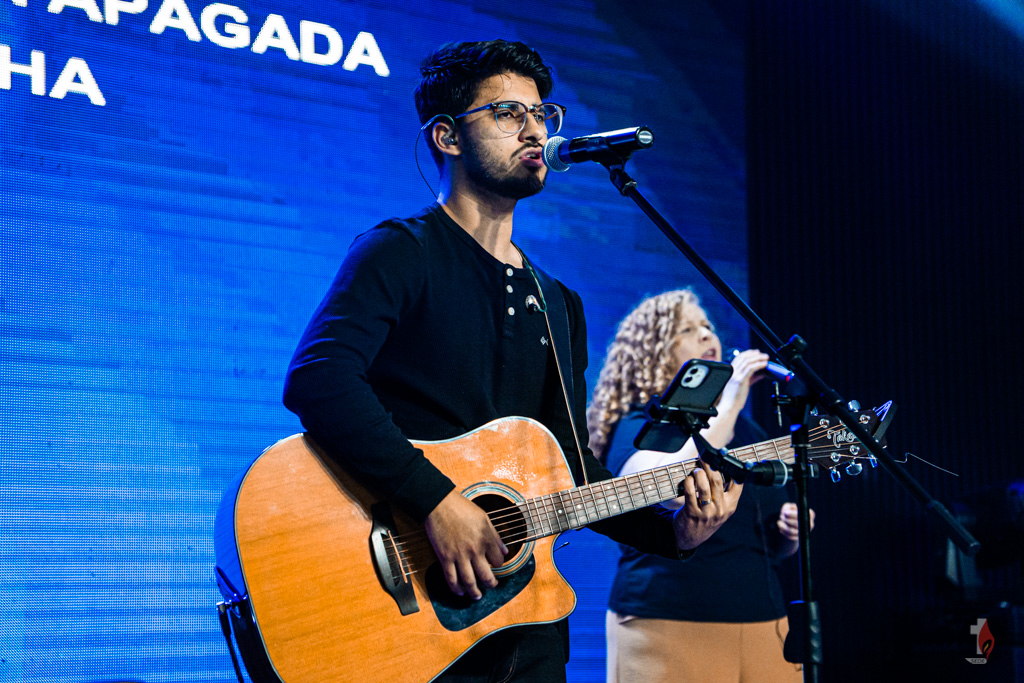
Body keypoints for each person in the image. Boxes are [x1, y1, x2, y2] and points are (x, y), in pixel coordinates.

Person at [282, 41, 742, 682]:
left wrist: (673, 534)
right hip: (413, 612)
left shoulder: (559, 304)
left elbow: (572, 467)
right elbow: (318, 379)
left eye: (542, 113)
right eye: (506, 113)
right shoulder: (399, 252)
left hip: (526, 623)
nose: (535, 130)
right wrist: (438, 502)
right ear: (446, 136)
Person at [587, 289, 816, 683]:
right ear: (655, 351)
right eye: (687, 330)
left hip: (765, 623)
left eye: (708, 326)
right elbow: (663, 486)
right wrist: (732, 400)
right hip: (669, 622)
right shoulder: (641, 424)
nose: (707, 335)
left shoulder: (748, 431)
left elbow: (765, 541)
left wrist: (791, 534)